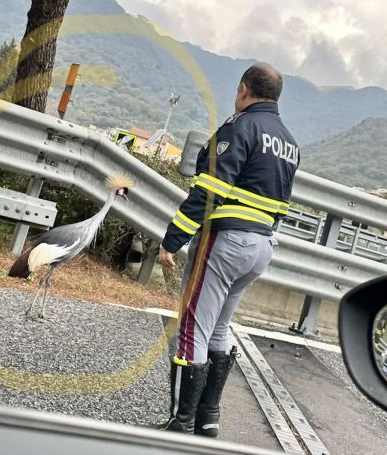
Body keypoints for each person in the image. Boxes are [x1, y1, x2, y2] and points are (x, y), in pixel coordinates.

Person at [158, 63, 300, 436]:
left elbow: (209, 191)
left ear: (243, 89)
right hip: (261, 246)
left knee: (192, 327)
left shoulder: (241, 129)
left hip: (226, 241)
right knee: (220, 328)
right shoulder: (288, 143)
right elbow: (282, 207)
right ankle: (208, 419)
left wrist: (172, 240)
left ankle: (181, 422)